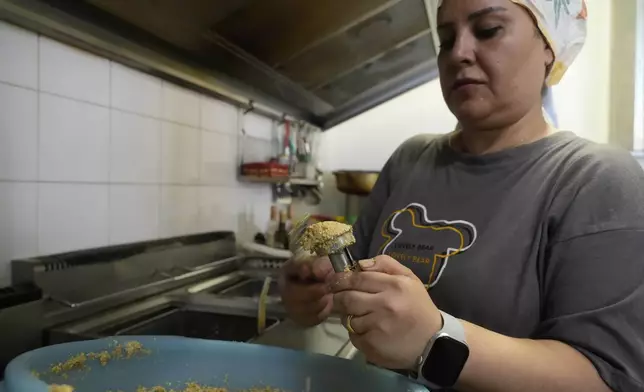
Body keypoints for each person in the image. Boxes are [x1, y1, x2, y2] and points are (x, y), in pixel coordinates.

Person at [279, 0, 644, 390]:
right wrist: (314, 292)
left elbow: (607, 378)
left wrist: (437, 339)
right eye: (446, 39)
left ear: (549, 47)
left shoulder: (597, 179)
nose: (459, 53)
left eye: (488, 30)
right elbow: (352, 286)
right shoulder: (411, 159)